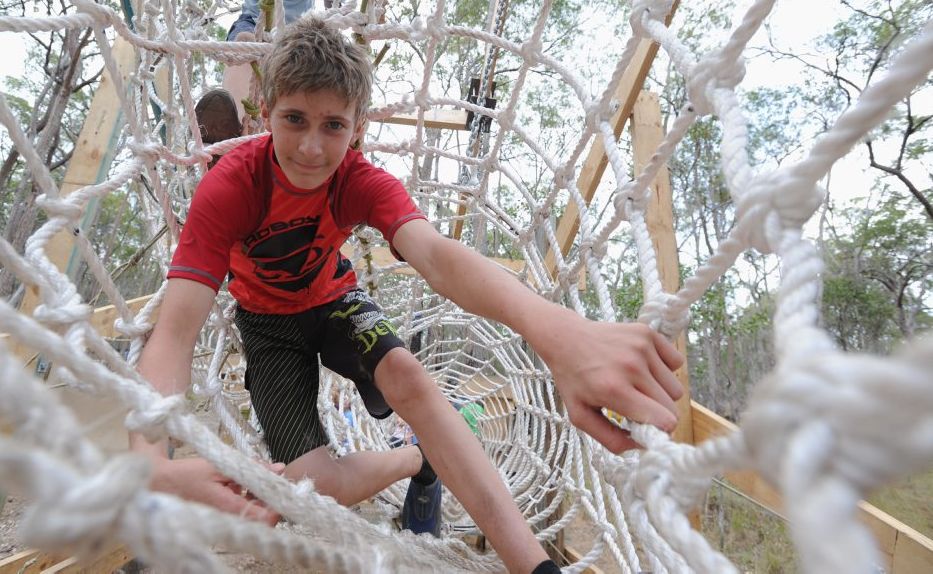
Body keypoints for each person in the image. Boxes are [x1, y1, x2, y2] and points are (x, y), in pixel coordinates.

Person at [134, 17, 684, 574]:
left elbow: (438, 256)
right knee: (308, 488)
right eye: (294, 119)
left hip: (335, 301)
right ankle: (417, 462)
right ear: (267, 111)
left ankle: (534, 565)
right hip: (267, 324)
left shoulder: (357, 179)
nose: (310, 146)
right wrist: (151, 466)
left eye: (333, 125)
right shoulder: (231, 184)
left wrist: (557, 329)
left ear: (357, 129)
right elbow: (177, 332)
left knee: (409, 375)